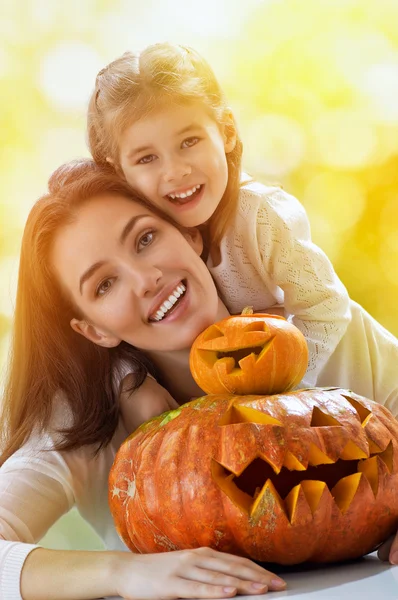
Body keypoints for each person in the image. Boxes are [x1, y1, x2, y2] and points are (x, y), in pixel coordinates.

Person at [0, 160, 288, 600]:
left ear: (190, 234)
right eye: (105, 284)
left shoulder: (319, 328)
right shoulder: (87, 420)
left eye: (145, 239)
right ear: (95, 330)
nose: (146, 279)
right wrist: (125, 573)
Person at [86, 42, 398, 419]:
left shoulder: (262, 216)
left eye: (190, 142)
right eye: (147, 158)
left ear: (227, 132)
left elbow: (325, 306)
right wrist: (130, 381)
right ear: (120, 172)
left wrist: (283, 386)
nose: (175, 171)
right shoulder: (146, 240)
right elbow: (115, 336)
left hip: (374, 383)